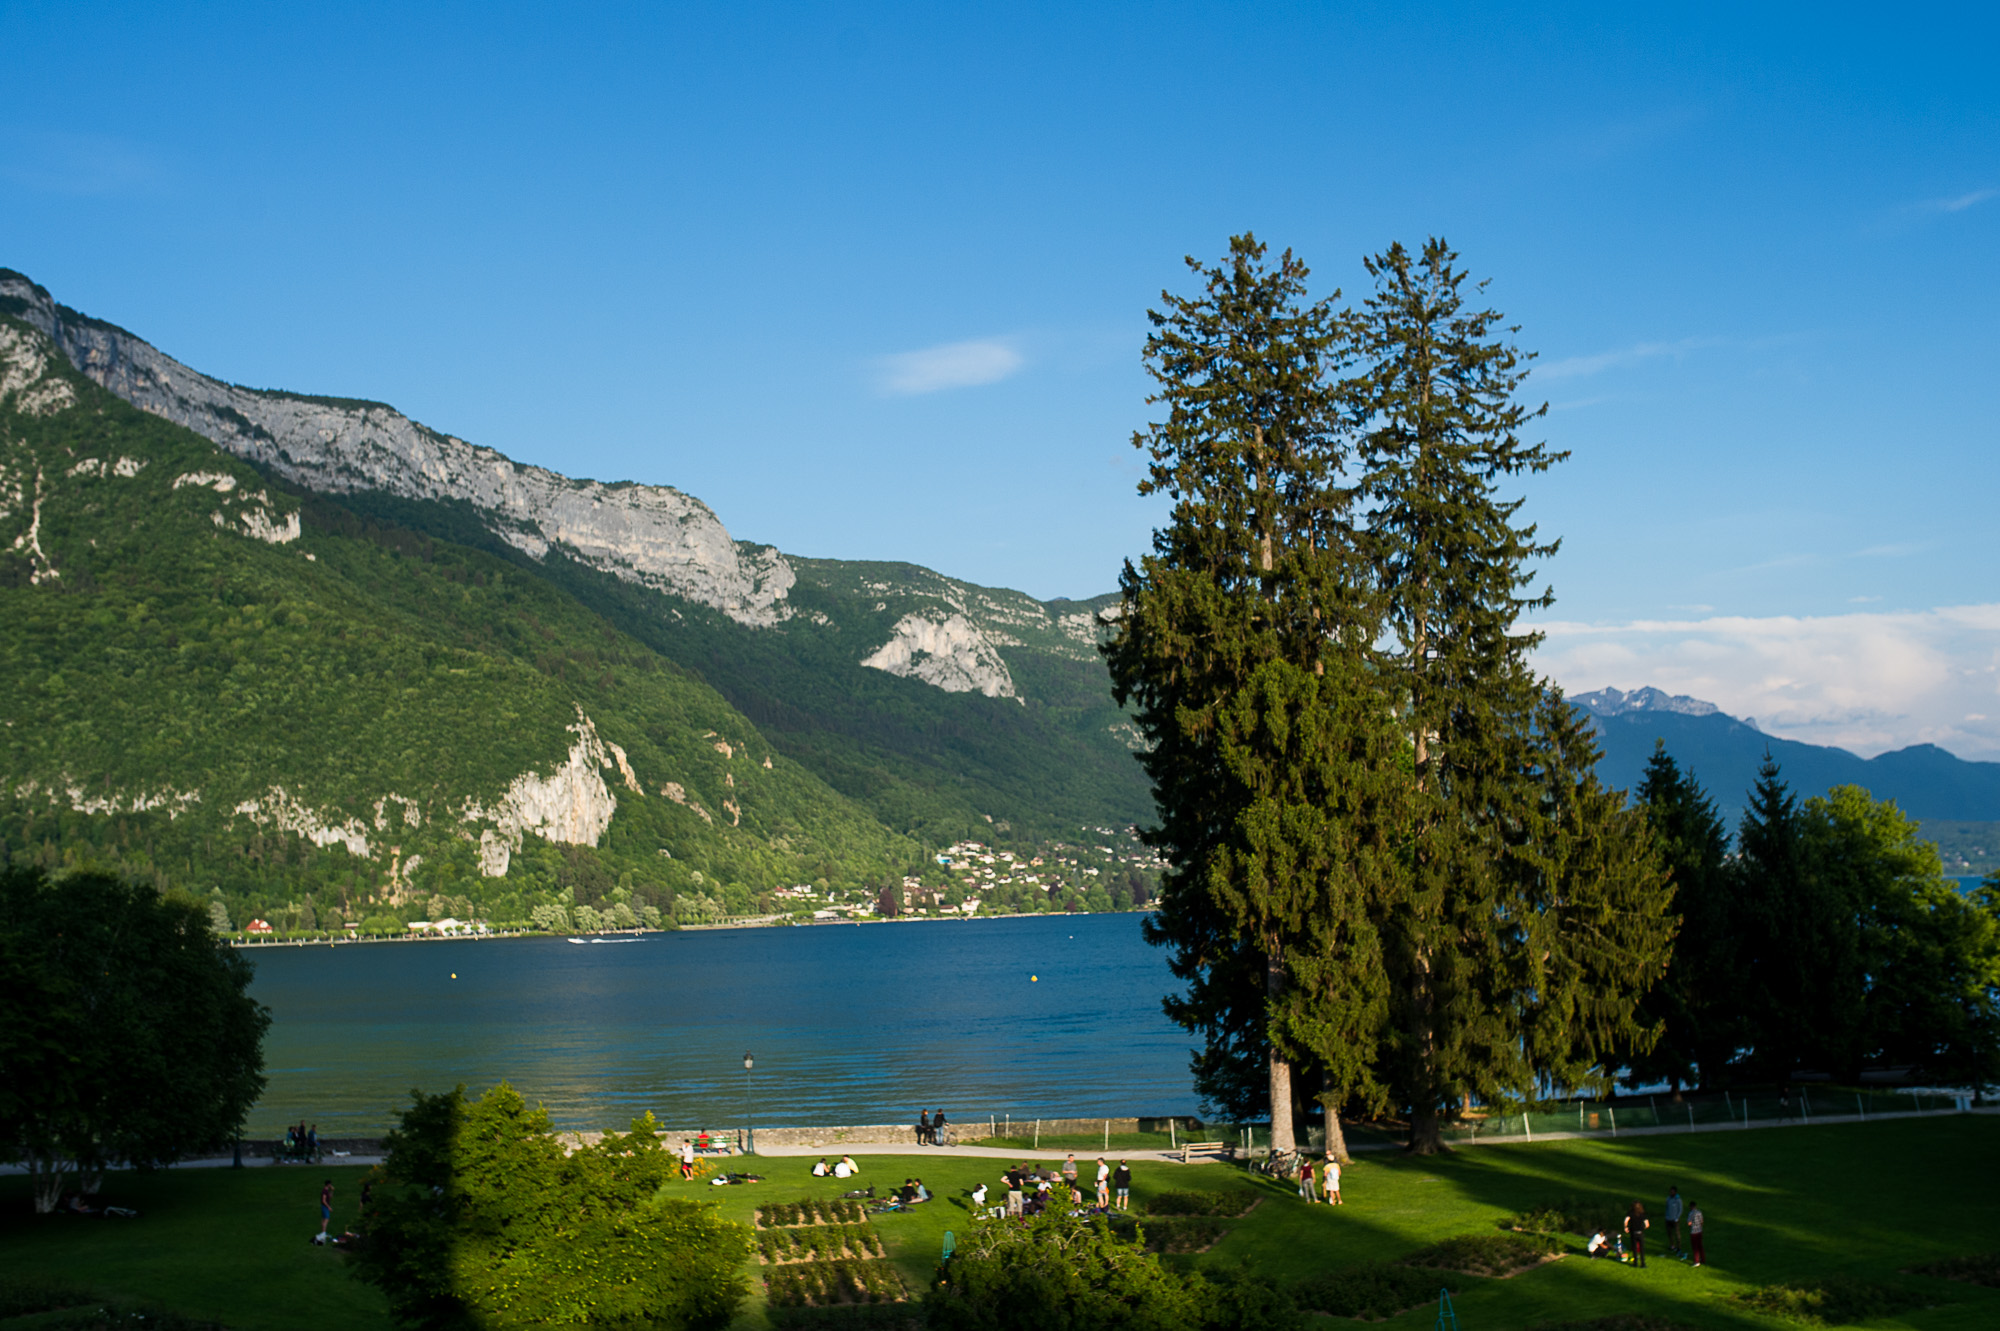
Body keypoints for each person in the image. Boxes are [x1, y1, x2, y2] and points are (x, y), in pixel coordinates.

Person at [1624, 1201, 1649, 1268]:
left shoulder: (1630, 1213)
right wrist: (1642, 1228)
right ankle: (1643, 1263)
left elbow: (1626, 1220)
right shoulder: (1642, 1214)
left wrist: (1626, 1227)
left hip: (1633, 1232)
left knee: (1634, 1248)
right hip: (1640, 1233)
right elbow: (1647, 1224)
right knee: (1642, 1249)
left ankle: (1635, 1263)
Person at [1664, 1186, 1684, 1257]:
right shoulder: (1668, 1199)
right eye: (1670, 1191)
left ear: (1675, 1192)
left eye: (1672, 1191)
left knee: (1677, 1233)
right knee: (1670, 1233)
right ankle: (1672, 1245)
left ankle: (1679, 1247)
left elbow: (1680, 1210)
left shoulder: (1678, 1200)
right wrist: (1666, 1216)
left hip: (1675, 1220)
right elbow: (1667, 1208)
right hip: (1668, 1219)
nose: (1671, 1192)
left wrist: (1677, 1218)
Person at [1687, 1201, 1705, 1267]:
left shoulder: (1691, 1213)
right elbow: (1702, 1221)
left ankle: (1696, 1261)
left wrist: (1691, 1224)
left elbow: (1689, 1223)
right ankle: (1703, 1259)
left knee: (1695, 1247)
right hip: (1700, 1231)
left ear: (1691, 1206)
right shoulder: (1699, 1212)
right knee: (1700, 1245)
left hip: (1694, 1232)